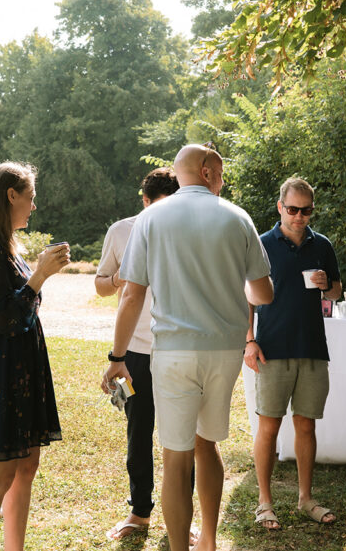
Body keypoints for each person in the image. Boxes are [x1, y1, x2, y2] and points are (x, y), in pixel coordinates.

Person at [101, 143, 273, 551]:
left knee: (175, 457)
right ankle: (209, 542)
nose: (224, 179)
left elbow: (131, 295)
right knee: (206, 444)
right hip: (223, 351)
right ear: (207, 170)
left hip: (174, 351)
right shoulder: (237, 216)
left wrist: (117, 357)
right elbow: (263, 294)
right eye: (222, 170)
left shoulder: (152, 218)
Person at [0, 162, 69, 551]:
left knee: (26, 466)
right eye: (31, 197)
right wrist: (39, 276)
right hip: (4, 370)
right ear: (11, 195)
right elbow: (4, 317)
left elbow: (22, 309)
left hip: (24, 365)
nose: (34, 206)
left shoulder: (7, 246)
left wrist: (39, 272)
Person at [245, 177, 342, 530]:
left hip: (312, 348)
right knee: (268, 426)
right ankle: (264, 502)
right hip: (271, 348)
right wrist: (249, 341)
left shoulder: (323, 245)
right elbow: (246, 299)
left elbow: (337, 292)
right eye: (293, 209)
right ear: (280, 207)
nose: (299, 216)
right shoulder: (261, 245)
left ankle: (305, 498)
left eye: (306, 210)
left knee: (306, 425)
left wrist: (326, 285)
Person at [94, 167, 179, 541]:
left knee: (182, 438)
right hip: (136, 352)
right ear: (143, 201)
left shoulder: (186, 227)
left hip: (179, 349)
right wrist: (121, 278)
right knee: (138, 434)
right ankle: (139, 513)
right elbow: (101, 286)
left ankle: (183, 517)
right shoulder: (120, 231)